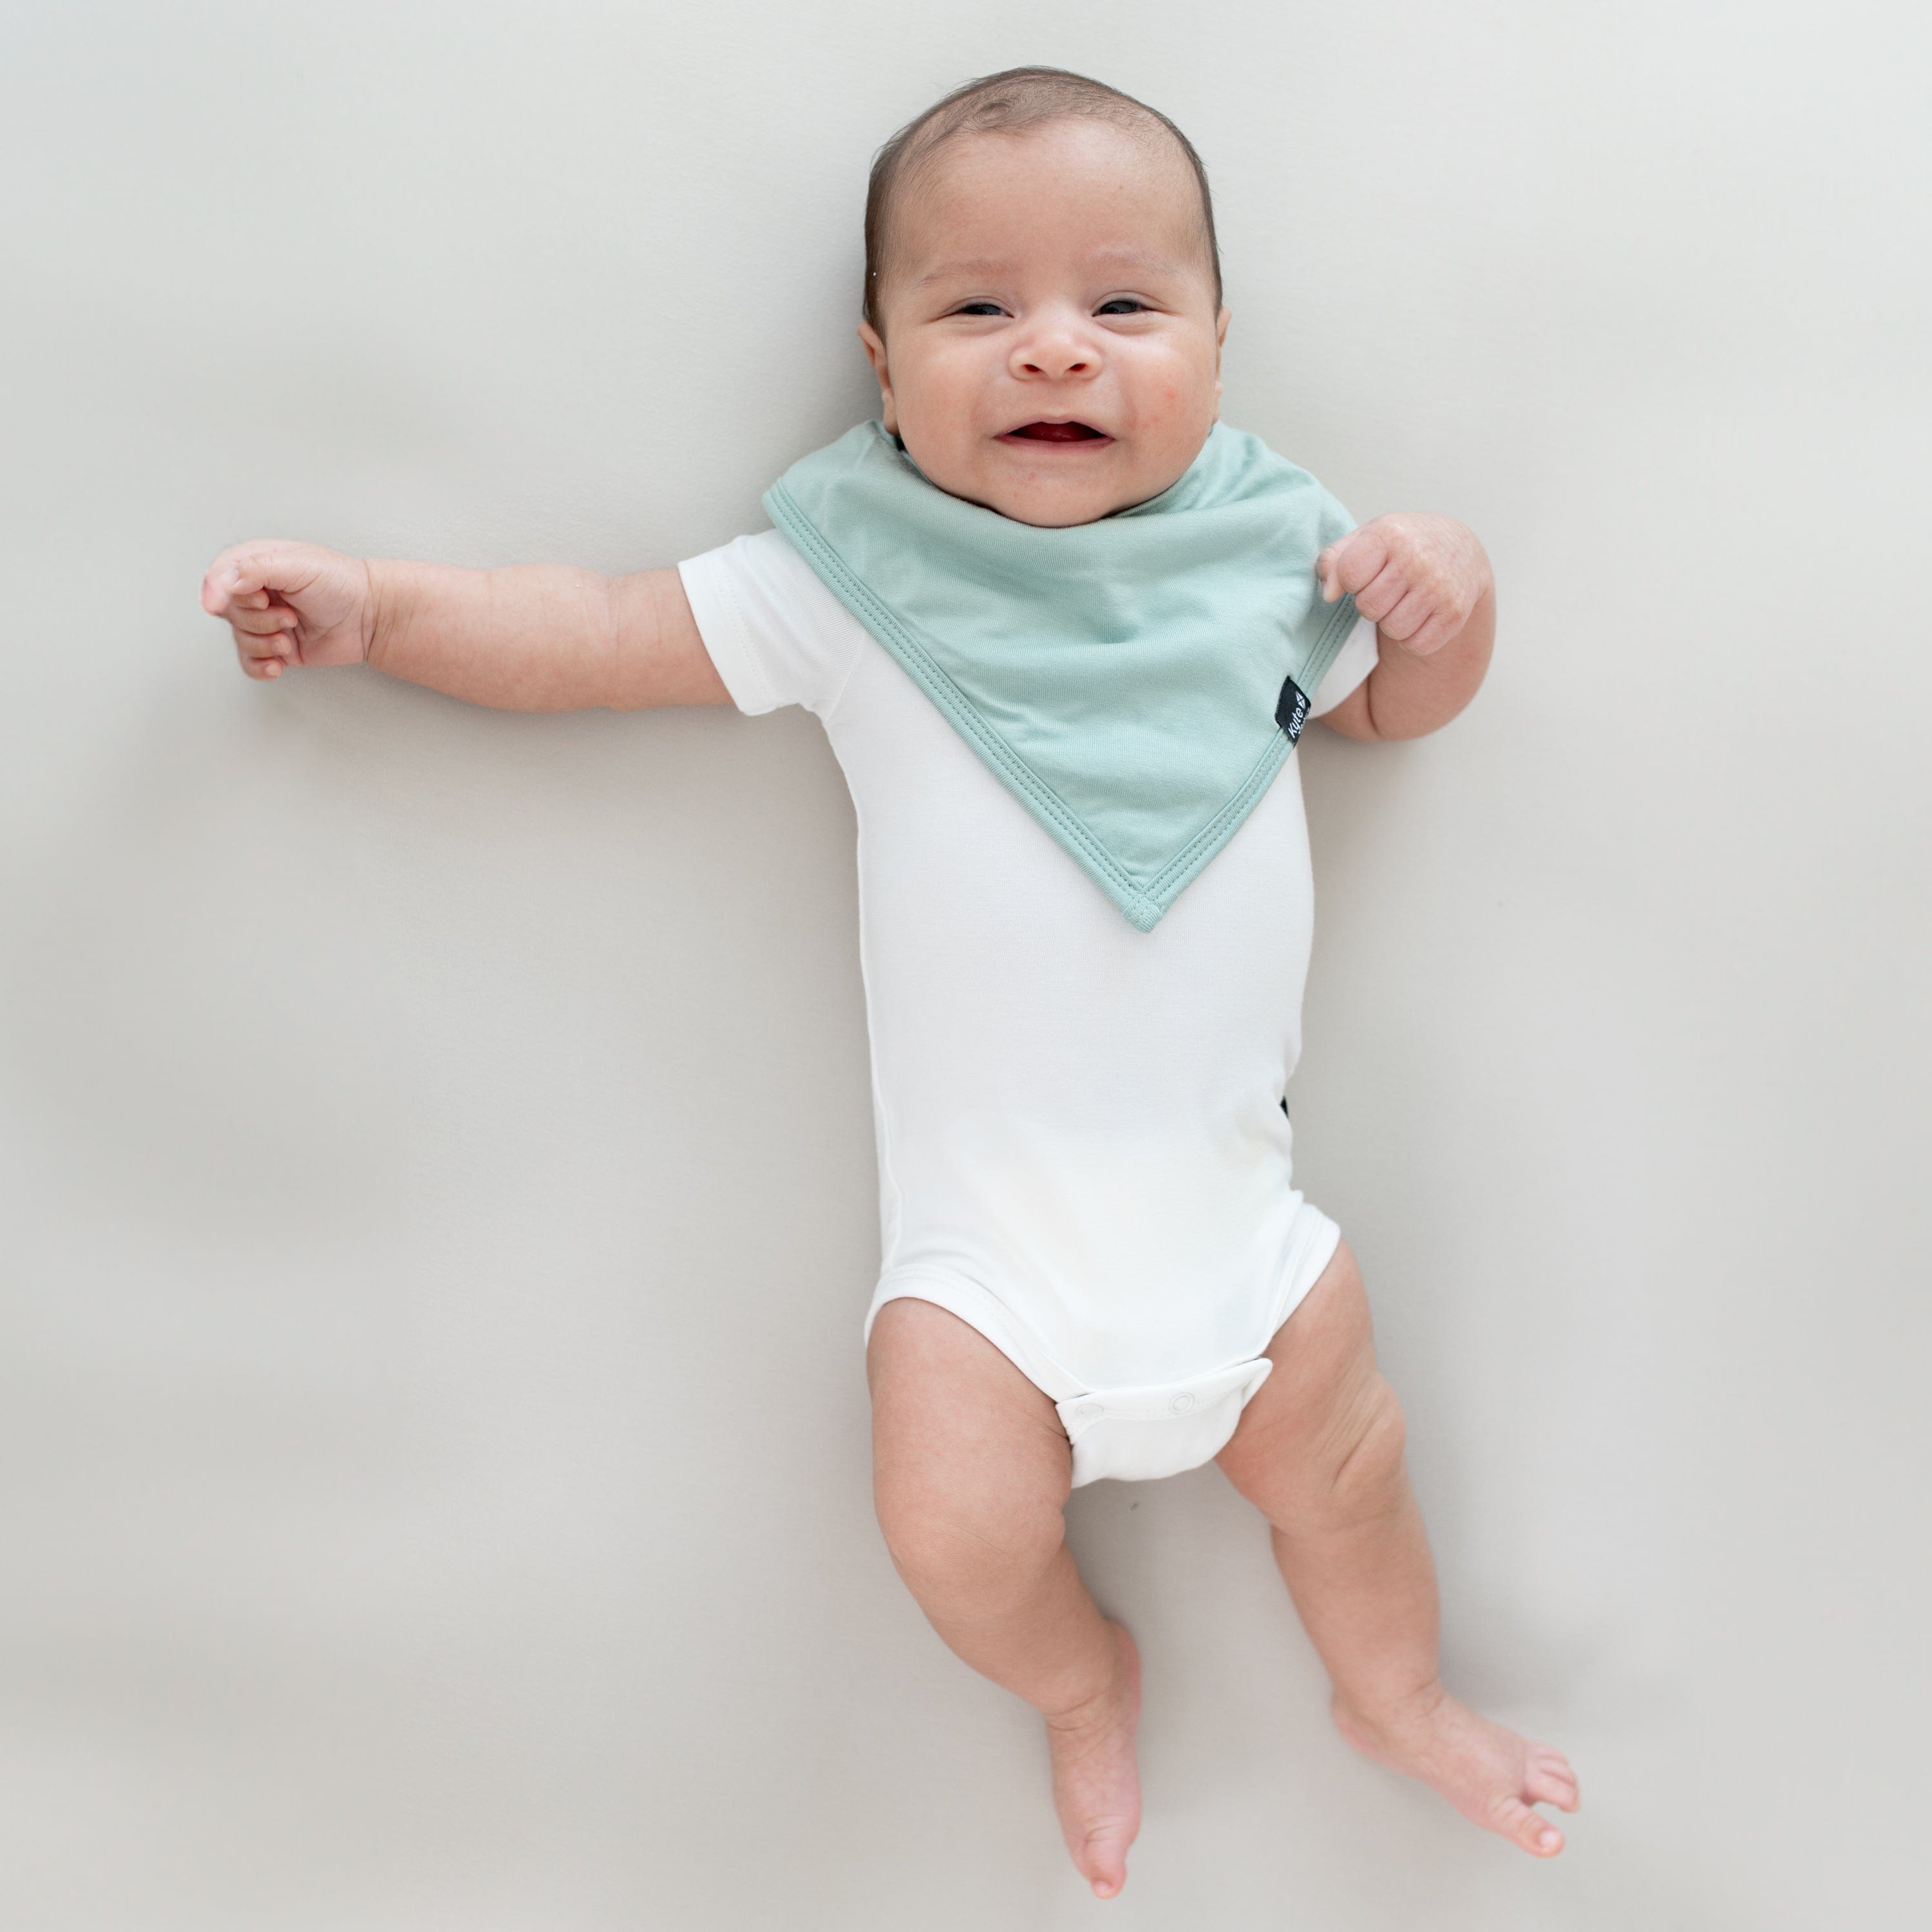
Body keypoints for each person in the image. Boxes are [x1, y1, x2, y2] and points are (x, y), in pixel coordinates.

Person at [200, 66, 1578, 1901]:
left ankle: (1393, 1695)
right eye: (979, 308)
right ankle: (1081, 1677)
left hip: (1252, 1245)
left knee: (1351, 1475)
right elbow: (601, 635)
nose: (1055, 353)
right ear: (881, 360)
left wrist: (1451, 601)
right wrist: (381, 605)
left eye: (1124, 305)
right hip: (985, 1282)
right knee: (951, 1535)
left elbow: (1404, 712)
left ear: (1221, 348)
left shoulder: (1275, 573)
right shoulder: (856, 584)